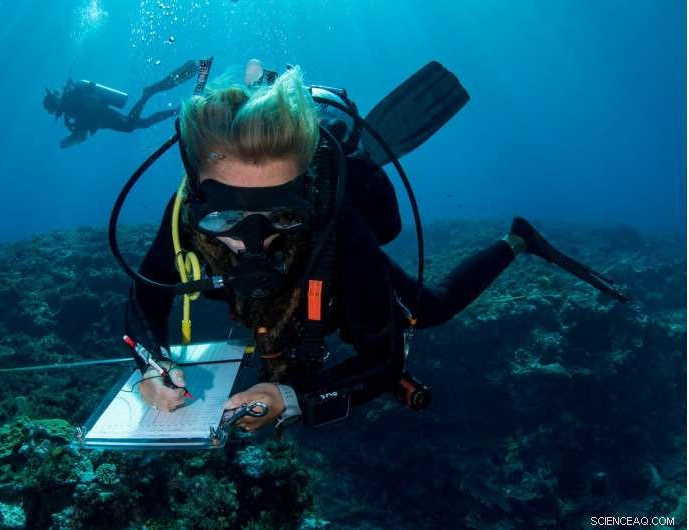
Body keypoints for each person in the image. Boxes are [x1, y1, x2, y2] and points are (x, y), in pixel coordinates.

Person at [123, 64, 629, 432]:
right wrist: (149, 365)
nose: (252, 243)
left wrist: (294, 398)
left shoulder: (336, 225)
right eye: (226, 217)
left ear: (308, 196)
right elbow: (144, 301)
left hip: (334, 282)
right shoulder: (182, 218)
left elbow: (384, 361)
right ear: (197, 195)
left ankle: (519, 239)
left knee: (431, 309)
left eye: (281, 215)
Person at [43, 60, 199, 148]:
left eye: (51, 110)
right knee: (142, 123)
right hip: (102, 117)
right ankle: (177, 110)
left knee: (130, 125)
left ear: (53, 106)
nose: (52, 113)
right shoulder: (69, 102)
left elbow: (83, 121)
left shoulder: (69, 102)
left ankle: (148, 94)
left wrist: (70, 140)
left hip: (103, 116)